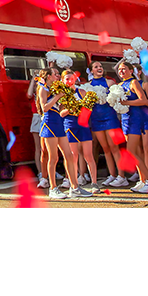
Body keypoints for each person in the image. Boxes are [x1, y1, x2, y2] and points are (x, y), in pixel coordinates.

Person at [37, 67, 89, 198]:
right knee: (53, 158)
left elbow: (59, 108)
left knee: (70, 155)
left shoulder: (57, 89)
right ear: (48, 76)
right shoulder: (43, 89)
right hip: (49, 124)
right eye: (55, 74)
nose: (57, 76)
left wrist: (69, 103)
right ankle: (53, 188)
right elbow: (45, 108)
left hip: (59, 123)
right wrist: (58, 97)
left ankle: (75, 187)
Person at [115, 59, 148, 192]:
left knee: (132, 152)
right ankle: (143, 179)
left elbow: (143, 100)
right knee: (135, 151)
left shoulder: (133, 82)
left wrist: (126, 103)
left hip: (136, 119)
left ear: (131, 71)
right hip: (126, 119)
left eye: (124, 69)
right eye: (120, 69)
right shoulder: (120, 84)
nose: (122, 71)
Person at [86, 61, 128, 187]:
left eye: (100, 67)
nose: (99, 68)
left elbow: (117, 99)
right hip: (96, 119)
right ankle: (112, 175)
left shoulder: (110, 83)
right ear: (91, 71)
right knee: (105, 149)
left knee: (114, 147)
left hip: (109, 117)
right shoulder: (88, 85)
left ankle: (122, 176)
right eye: (96, 67)